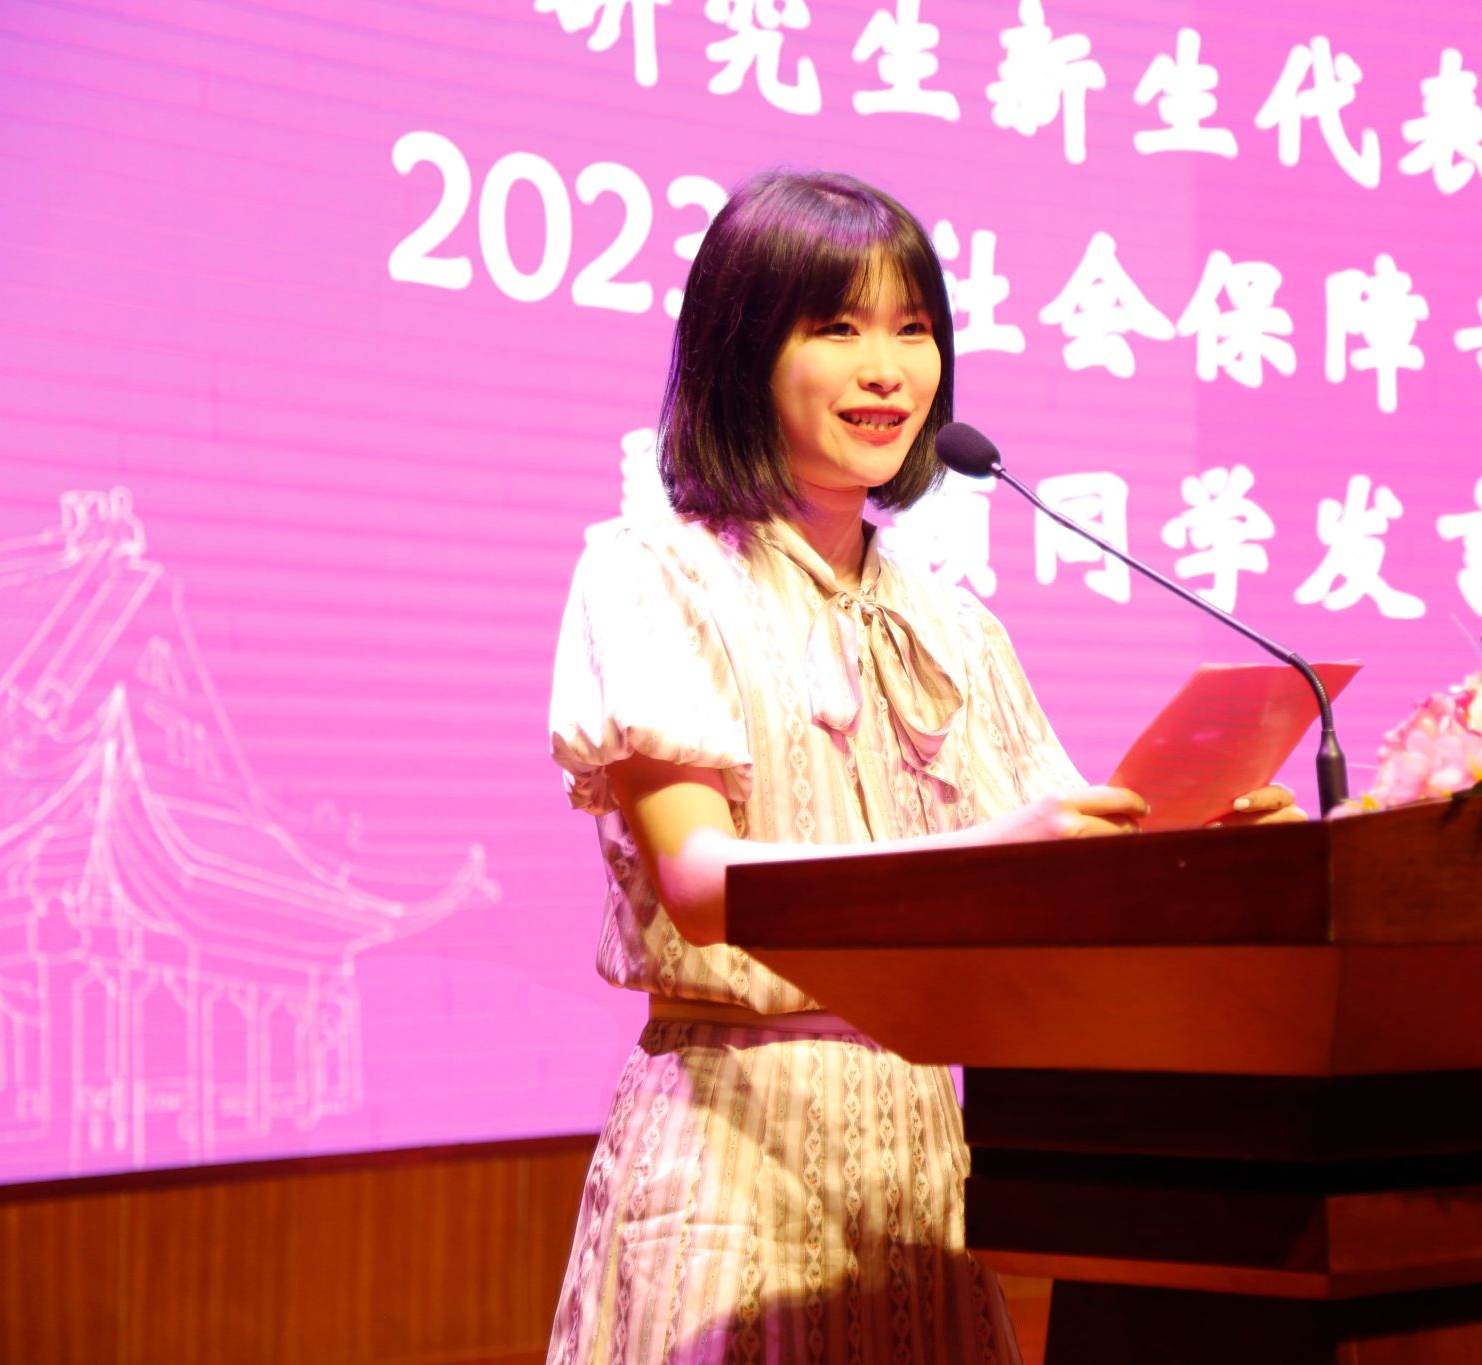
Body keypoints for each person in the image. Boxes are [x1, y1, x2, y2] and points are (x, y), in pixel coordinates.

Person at [545, 169, 1299, 1365]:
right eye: (837, 328)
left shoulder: (952, 623)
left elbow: (1059, 872)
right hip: (732, 1149)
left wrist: (1192, 846)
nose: (887, 370)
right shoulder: (655, 574)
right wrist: (994, 851)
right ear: (744, 351)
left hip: (919, 1160)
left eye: (911, 329)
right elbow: (697, 881)